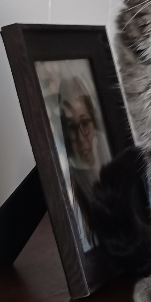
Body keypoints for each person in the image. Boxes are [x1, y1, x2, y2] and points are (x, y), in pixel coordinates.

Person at [58, 77, 110, 251]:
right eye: (72, 127)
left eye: (85, 123)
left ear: (94, 123)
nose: (81, 138)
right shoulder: (68, 179)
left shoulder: (110, 149)